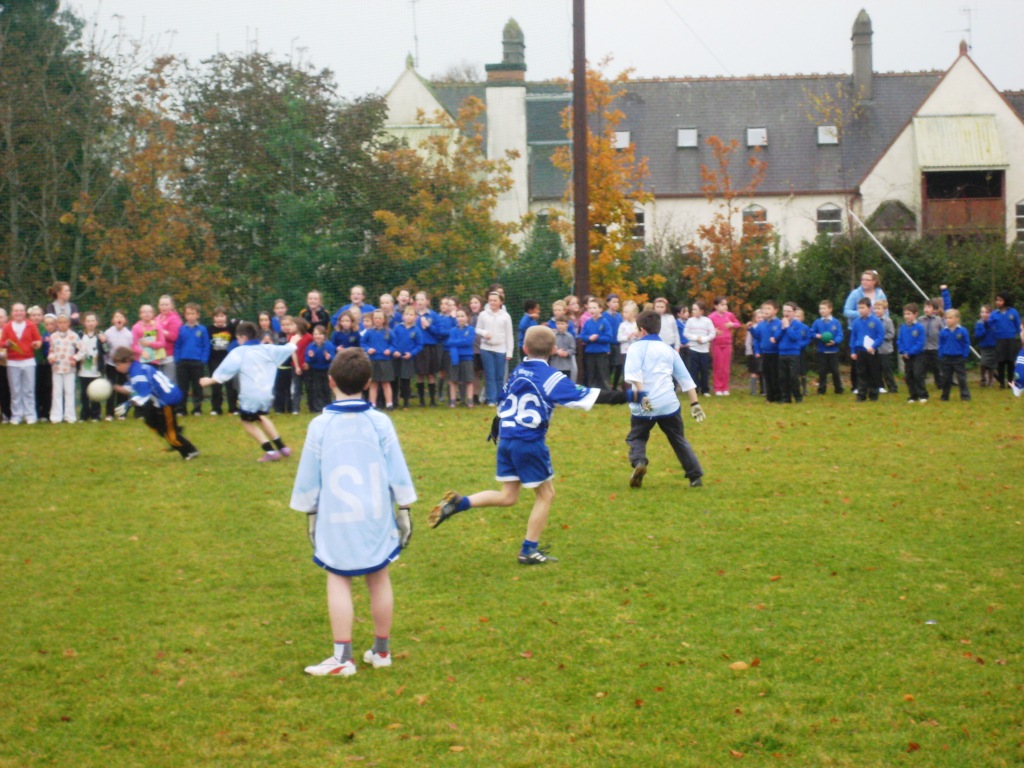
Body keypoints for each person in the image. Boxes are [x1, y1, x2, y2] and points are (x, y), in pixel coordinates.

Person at [428, 325, 635, 565]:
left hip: (506, 439)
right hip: (529, 442)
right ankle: (528, 550)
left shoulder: (518, 371)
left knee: (508, 496)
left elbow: (503, 401)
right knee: (546, 494)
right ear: (554, 350)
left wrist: (497, 427)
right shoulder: (552, 378)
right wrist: (630, 396)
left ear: (524, 348)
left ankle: (460, 503)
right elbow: (591, 395)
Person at [290, 348, 415, 677]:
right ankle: (382, 650)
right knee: (379, 575)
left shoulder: (321, 425)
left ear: (330, 381)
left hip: (336, 518)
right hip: (376, 514)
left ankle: (343, 658)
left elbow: (308, 475)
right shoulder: (379, 422)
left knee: (338, 576)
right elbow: (397, 469)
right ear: (368, 382)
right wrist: (404, 508)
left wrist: (310, 514)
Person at [623, 308, 707, 490]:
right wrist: (695, 403)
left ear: (642, 330)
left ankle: (639, 462)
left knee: (637, 437)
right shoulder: (669, 350)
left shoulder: (635, 348)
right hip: (668, 404)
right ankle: (695, 477)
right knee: (678, 439)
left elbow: (633, 374)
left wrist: (643, 395)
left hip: (644, 404)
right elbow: (686, 379)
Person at [200, 321, 296, 462]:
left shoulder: (240, 352)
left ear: (243, 337)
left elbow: (225, 371)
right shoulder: (268, 349)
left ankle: (270, 452)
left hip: (251, 395)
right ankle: (283, 448)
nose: (238, 341)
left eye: (238, 338)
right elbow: (288, 349)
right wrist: (293, 342)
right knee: (261, 417)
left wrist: (209, 380)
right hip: (266, 394)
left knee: (246, 421)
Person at [110, 347, 199, 460]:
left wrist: (128, 404)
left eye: (118, 364)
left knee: (170, 434)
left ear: (127, 361)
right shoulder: (136, 368)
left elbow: (144, 394)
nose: (117, 368)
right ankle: (175, 435)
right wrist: (112, 386)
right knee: (150, 420)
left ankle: (190, 451)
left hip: (166, 399)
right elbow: (130, 388)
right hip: (159, 399)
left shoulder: (137, 372)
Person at [842, 270, 887, 393]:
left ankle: (878, 385)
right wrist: (862, 314)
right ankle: (857, 386)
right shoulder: (855, 293)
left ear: (874, 281)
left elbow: (885, 310)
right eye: (862, 279)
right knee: (858, 361)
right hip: (858, 330)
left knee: (875, 361)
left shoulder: (880, 294)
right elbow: (846, 311)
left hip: (874, 331)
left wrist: (880, 320)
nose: (864, 282)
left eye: (867, 279)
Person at [1, 303, 42, 424]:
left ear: (25, 313)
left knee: (29, 389)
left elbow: (38, 340)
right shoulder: (7, 327)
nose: (18, 313)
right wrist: (6, 344)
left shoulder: (30, 325)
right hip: (13, 362)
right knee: (15, 390)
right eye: (16, 311)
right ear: (12, 313)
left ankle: (30, 414)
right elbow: (2, 342)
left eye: (21, 311)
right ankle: (16, 415)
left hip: (28, 361)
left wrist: (36, 344)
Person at [476, 290, 514, 406]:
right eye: (490, 300)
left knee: (500, 376)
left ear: (500, 302)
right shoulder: (483, 314)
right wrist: (484, 333)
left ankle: (500, 399)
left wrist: (509, 352)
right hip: (486, 349)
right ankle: (491, 399)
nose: (492, 302)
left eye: (495, 300)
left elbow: (509, 335)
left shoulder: (506, 316)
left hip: (501, 349)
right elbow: (477, 329)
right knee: (490, 375)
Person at [175, 303, 210, 416]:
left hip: (197, 363)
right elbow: (178, 345)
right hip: (183, 362)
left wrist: (203, 360)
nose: (190, 316)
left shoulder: (202, 329)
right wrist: (178, 359)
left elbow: (206, 346)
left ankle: (197, 409)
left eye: (193, 313)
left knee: (197, 387)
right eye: (188, 313)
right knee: (182, 387)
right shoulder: (181, 329)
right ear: (185, 315)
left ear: (198, 315)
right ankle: (181, 409)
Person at [850, 297, 884, 402]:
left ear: (869, 308)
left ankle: (873, 394)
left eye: (862, 307)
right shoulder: (856, 322)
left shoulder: (876, 321)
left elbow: (880, 335)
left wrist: (873, 346)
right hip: (860, 351)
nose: (860, 310)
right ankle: (861, 395)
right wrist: (853, 351)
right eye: (859, 308)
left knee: (873, 373)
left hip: (871, 351)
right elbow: (853, 337)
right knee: (861, 373)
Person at [47, 314, 79, 424]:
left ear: (69, 323)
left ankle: (70, 416)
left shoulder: (73, 336)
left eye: (64, 322)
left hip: (69, 368)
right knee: (57, 392)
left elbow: (82, 350)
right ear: (57, 324)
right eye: (60, 322)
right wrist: (51, 358)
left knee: (69, 392)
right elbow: (51, 350)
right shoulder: (53, 336)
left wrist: (75, 358)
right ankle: (56, 416)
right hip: (56, 367)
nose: (62, 324)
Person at [207, 307, 239, 415]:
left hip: (229, 360)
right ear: (213, 318)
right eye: (217, 316)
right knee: (216, 385)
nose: (219, 319)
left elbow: (238, 336)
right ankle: (216, 408)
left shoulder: (231, 328)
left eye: (222, 316)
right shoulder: (209, 329)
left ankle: (233, 408)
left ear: (226, 317)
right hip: (214, 360)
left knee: (230, 386)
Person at [361, 309, 395, 411]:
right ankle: (373, 404)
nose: (377, 320)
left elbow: (394, 344)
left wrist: (390, 350)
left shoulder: (389, 332)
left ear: (384, 319)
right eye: (375, 318)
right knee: (373, 383)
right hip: (373, 360)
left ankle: (389, 404)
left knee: (386, 383)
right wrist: (368, 349)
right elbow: (362, 343)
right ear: (373, 319)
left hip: (385, 360)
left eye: (380, 318)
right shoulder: (369, 332)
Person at [777, 302, 810, 404]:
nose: (786, 313)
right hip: (782, 353)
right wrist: (782, 328)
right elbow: (777, 337)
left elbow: (795, 337)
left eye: (789, 311)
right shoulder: (781, 323)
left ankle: (798, 397)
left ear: (794, 312)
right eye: (784, 311)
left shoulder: (798, 325)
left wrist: (787, 327)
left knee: (793, 377)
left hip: (793, 354)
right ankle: (786, 398)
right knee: (783, 377)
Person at [809, 300, 844, 395]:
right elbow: (811, 332)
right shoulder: (817, 322)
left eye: (824, 308)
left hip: (834, 351)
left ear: (830, 309)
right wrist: (817, 336)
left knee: (835, 371)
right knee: (822, 371)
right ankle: (821, 389)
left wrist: (835, 341)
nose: (821, 310)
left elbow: (840, 335)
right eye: (820, 308)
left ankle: (838, 389)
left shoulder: (836, 322)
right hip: (822, 351)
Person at [391, 306, 422, 409]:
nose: (408, 317)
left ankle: (406, 402)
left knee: (405, 381)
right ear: (403, 316)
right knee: (394, 380)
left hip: (407, 359)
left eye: (411, 315)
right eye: (406, 314)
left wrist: (411, 354)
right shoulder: (397, 328)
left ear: (415, 317)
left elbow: (419, 345)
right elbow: (392, 341)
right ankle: (394, 401)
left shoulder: (416, 330)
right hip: (396, 357)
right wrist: (394, 350)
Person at [103, 310, 133, 420]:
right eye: (116, 317)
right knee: (110, 388)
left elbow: (130, 350)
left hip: (124, 367)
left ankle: (121, 413)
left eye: (121, 316)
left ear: (124, 320)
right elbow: (105, 349)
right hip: (110, 365)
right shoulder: (108, 333)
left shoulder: (129, 334)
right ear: (113, 320)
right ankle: (109, 413)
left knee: (123, 389)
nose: (119, 319)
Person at [708, 296, 741, 396]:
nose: (725, 307)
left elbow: (738, 324)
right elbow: (707, 329)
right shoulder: (711, 317)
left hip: (727, 344)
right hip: (716, 344)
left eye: (726, 304)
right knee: (718, 366)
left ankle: (725, 387)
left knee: (725, 367)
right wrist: (714, 331)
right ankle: (717, 388)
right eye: (722, 305)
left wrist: (732, 324)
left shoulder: (729, 315)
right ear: (716, 306)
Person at [684, 300, 716, 397]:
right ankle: (695, 389)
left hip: (704, 350)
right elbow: (686, 333)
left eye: (695, 309)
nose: (693, 311)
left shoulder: (707, 321)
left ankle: (705, 390)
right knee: (693, 370)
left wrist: (704, 339)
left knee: (704, 371)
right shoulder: (690, 321)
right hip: (693, 349)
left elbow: (712, 333)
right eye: (692, 309)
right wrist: (695, 338)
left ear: (701, 311)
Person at [77, 312, 105, 422]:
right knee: (84, 394)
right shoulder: (80, 336)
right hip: (83, 370)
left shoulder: (100, 336)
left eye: (93, 320)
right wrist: (80, 358)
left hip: (96, 370)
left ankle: (96, 414)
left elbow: (106, 350)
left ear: (96, 322)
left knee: (96, 393)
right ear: (84, 323)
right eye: (88, 321)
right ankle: (84, 415)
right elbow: (76, 350)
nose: (90, 323)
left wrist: (104, 342)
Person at [938, 309, 971, 402]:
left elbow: (966, 344)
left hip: (958, 358)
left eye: (950, 318)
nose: (947, 320)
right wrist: (941, 354)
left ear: (957, 319)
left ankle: (965, 396)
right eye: (946, 318)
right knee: (946, 379)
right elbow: (941, 344)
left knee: (961, 378)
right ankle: (945, 396)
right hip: (946, 358)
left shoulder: (962, 331)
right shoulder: (943, 331)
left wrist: (964, 355)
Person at [990, 292, 1022, 389]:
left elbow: (1018, 327)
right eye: (997, 300)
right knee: (1001, 362)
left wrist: (1020, 338)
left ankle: (1010, 382)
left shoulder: (1013, 312)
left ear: (1006, 300)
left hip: (1011, 340)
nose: (998, 302)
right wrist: (996, 333)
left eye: (1000, 300)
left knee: (1010, 362)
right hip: (1000, 340)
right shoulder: (994, 314)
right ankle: (1001, 383)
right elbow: (991, 326)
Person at [752, 300, 782, 402]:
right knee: (767, 375)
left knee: (775, 376)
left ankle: (778, 396)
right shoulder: (761, 324)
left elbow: (779, 336)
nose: (766, 311)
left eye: (769, 308)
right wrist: (751, 329)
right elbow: (757, 336)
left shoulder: (779, 323)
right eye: (764, 308)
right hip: (765, 353)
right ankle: (769, 397)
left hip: (776, 353)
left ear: (776, 311)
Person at [580, 296, 613, 389]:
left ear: (601, 309)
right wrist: (589, 338)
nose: (591, 310)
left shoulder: (605, 322)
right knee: (591, 374)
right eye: (590, 308)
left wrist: (597, 338)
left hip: (601, 353)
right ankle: (592, 394)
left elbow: (608, 337)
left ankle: (606, 393)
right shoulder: (587, 322)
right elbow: (582, 336)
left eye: (594, 308)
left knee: (602, 375)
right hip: (590, 352)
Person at [898, 303, 927, 404]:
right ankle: (913, 395)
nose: (906, 316)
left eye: (909, 313)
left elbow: (920, 342)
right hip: (906, 356)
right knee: (909, 376)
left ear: (915, 314)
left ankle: (923, 394)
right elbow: (900, 340)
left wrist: (910, 352)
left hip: (917, 355)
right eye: (905, 314)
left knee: (918, 375)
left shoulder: (919, 327)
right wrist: (903, 351)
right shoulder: (903, 327)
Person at [446, 308, 476, 407]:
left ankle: (470, 401)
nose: (460, 318)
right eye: (458, 316)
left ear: (467, 317)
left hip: (467, 358)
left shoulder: (471, 329)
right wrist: (461, 341)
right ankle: (453, 401)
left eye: (462, 316)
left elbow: (468, 342)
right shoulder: (453, 330)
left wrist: (457, 342)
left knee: (469, 380)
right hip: (455, 358)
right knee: (453, 380)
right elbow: (449, 342)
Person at [304, 324, 335, 414]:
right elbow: (307, 359)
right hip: (315, 370)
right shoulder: (311, 346)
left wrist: (328, 357)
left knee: (326, 388)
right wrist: (311, 357)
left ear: (324, 336)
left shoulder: (329, 345)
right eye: (315, 334)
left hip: (326, 370)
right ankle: (318, 408)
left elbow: (333, 357)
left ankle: (328, 406)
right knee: (316, 389)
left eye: (320, 334)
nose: (317, 336)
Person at [155, 295, 182, 385]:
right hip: (157, 355)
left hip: (169, 356)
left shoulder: (174, 319)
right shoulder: (157, 318)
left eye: (166, 305)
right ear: (158, 306)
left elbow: (173, 336)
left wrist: (160, 331)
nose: (164, 307)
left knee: (169, 383)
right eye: (162, 305)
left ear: (171, 306)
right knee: (160, 384)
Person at [874, 299, 898, 394]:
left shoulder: (888, 321)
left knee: (887, 369)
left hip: (885, 349)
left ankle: (892, 387)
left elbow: (891, 334)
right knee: (876, 369)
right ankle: (880, 386)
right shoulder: (873, 320)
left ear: (884, 310)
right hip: (875, 350)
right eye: (875, 308)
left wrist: (881, 337)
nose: (876, 310)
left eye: (879, 308)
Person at [919, 298, 944, 392]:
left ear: (934, 310)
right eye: (925, 307)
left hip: (935, 347)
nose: (926, 309)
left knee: (937, 367)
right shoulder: (920, 320)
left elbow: (943, 332)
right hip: (924, 348)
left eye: (929, 307)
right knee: (922, 367)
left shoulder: (938, 320)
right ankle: (921, 384)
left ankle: (940, 383)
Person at [974, 304, 997, 387]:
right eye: (982, 312)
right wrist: (984, 328)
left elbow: (997, 333)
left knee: (992, 364)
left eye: (987, 312)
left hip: (993, 346)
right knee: (983, 363)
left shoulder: (994, 323)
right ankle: (983, 378)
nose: (984, 314)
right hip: (984, 346)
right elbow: (977, 335)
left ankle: (991, 381)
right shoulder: (979, 323)